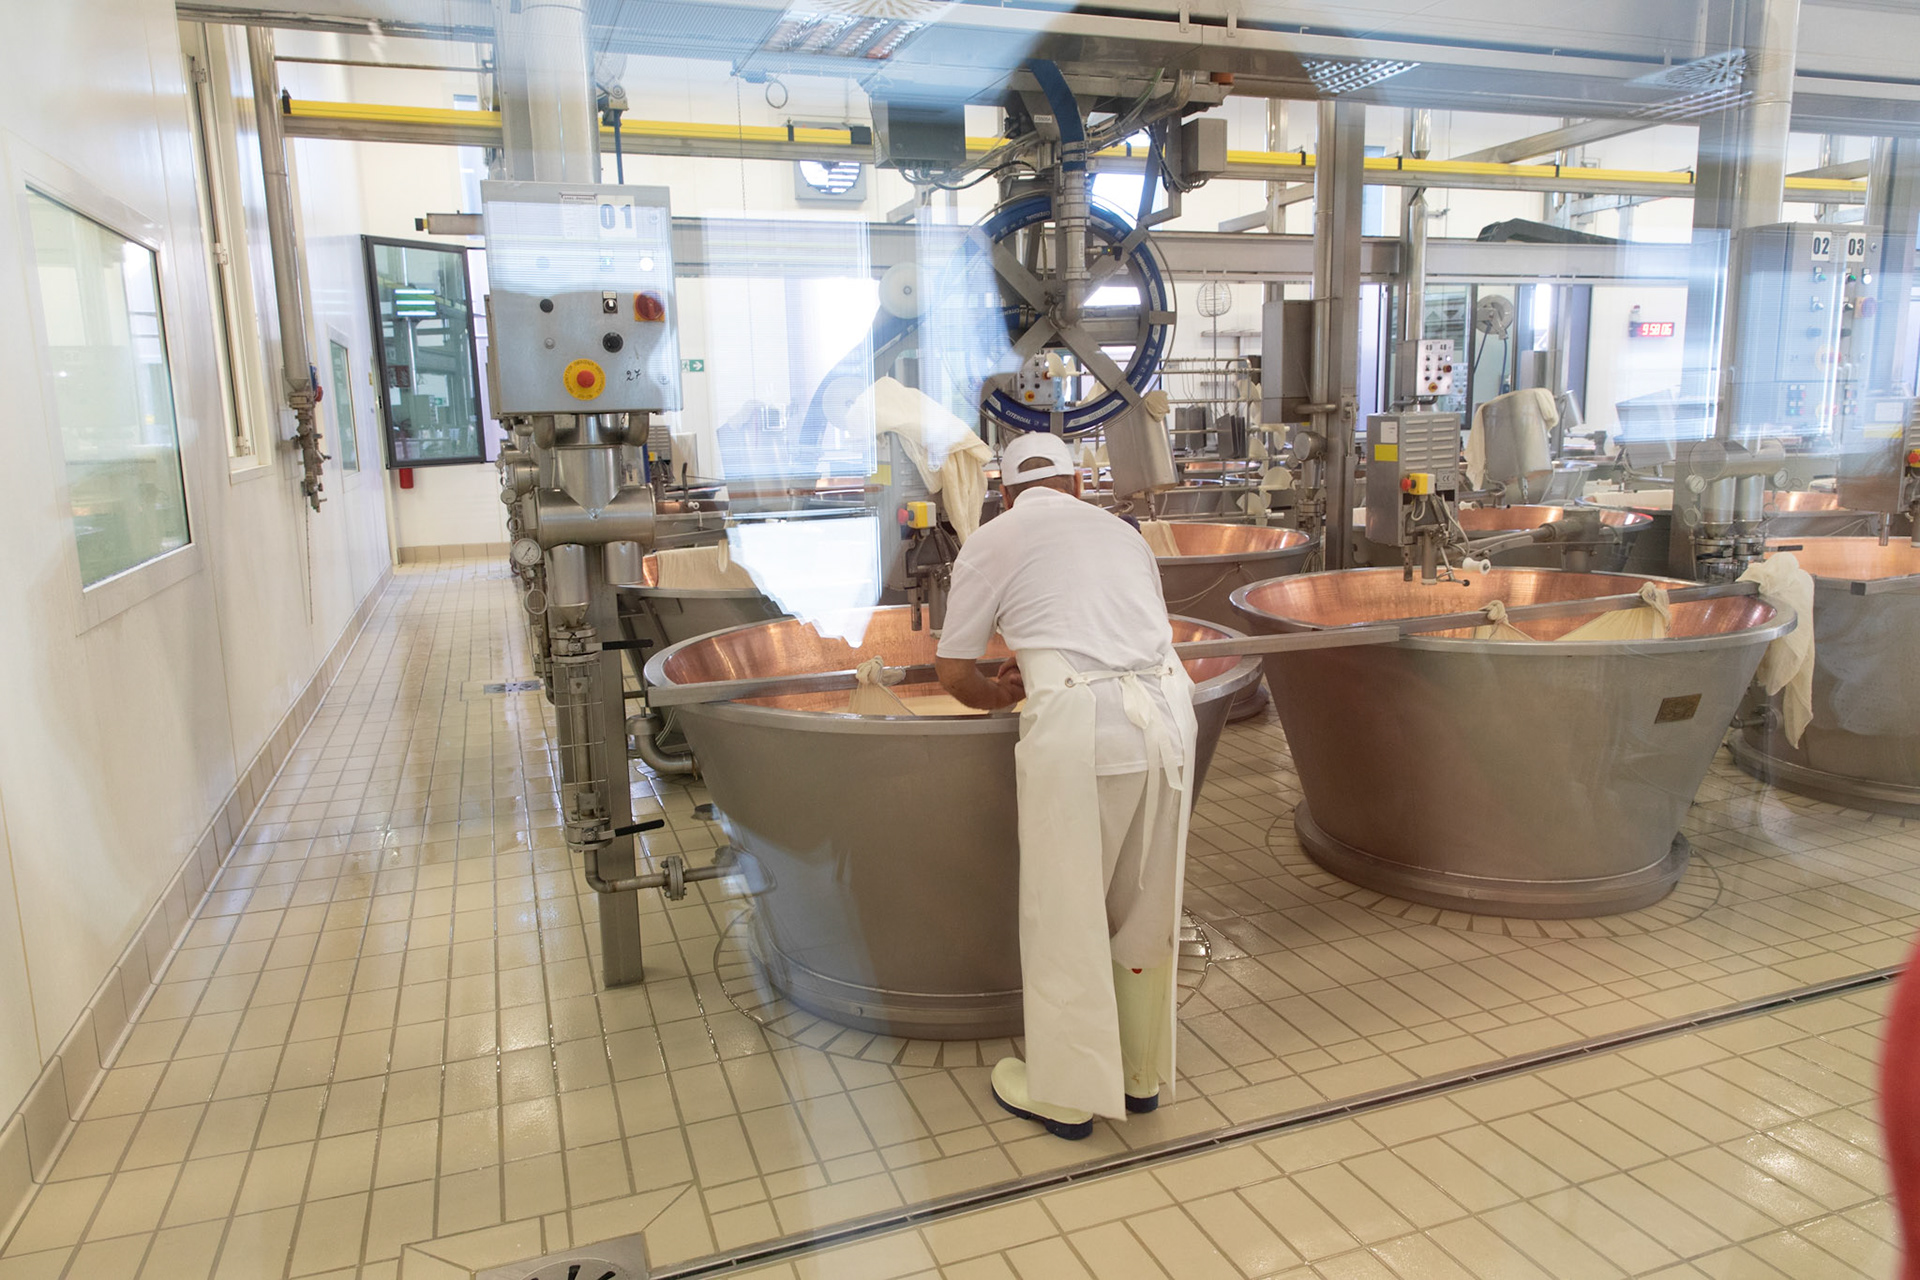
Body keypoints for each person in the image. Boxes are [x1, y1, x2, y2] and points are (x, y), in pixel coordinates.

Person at [934, 430, 1198, 1140]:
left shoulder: (995, 537)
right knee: (1145, 904)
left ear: (1006, 492)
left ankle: (1068, 1093)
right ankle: (1140, 1076)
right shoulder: (1122, 533)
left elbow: (953, 670)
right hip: (1170, 719)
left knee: (1064, 909)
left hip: (1081, 726)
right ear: (1078, 484)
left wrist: (999, 694)